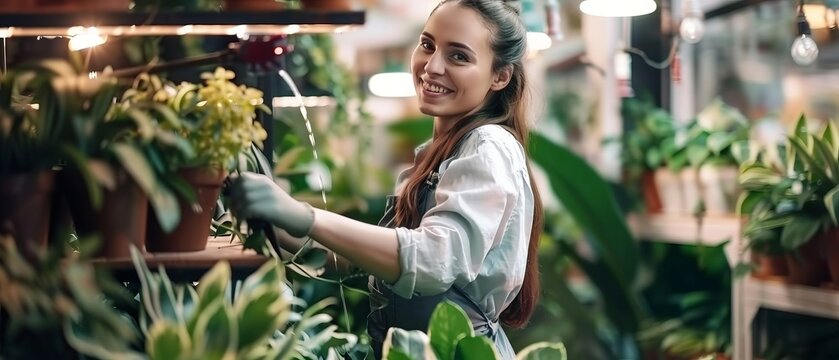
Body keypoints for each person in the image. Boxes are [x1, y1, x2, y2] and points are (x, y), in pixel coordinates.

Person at [228, 0, 543, 358]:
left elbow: (430, 261)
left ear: (500, 76)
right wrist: (284, 226)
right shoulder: (436, 154)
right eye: (427, 45)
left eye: (458, 57)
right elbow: (381, 263)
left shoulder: (488, 146)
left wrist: (307, 216)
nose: (432, 66)